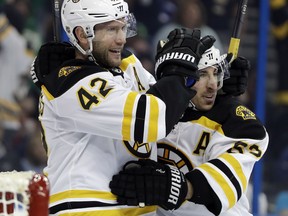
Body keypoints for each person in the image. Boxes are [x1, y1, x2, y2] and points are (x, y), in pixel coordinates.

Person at [30, 0, 216, 215]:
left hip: (133, 207)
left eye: (123, 27)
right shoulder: (70, 82)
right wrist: (179, 73)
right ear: (82, 34)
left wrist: (217, 84)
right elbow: (151, 119)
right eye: (111, 29)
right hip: (84, 206)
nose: (121, 38)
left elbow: (176, 111)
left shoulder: (126, 63)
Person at [109, 45, 269, 215]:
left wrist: (181, 188)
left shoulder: (237, 122)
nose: (213, 85)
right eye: (202, 74)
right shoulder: (150, 109)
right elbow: (120, 59)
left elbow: (225, 183)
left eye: (216, 73)